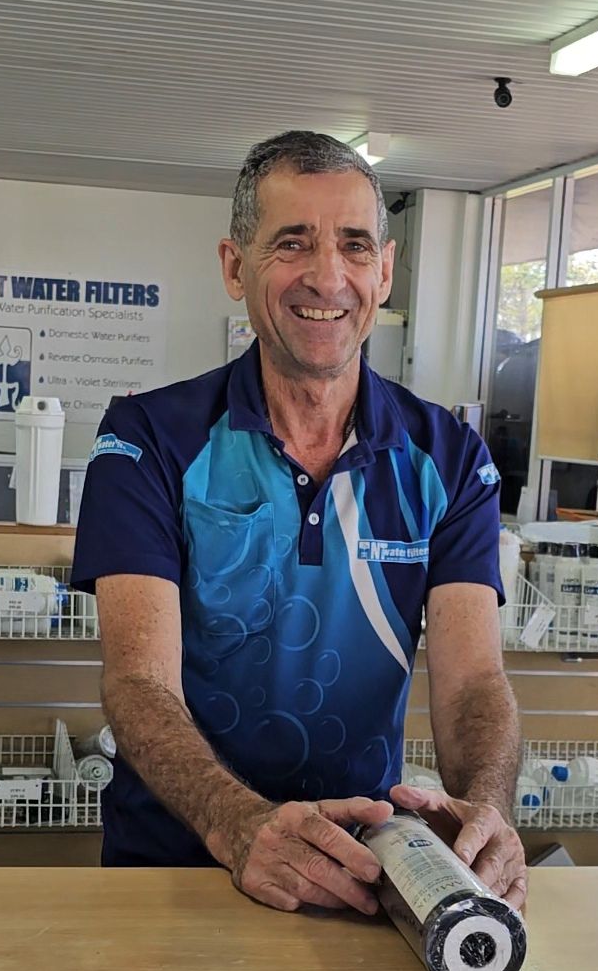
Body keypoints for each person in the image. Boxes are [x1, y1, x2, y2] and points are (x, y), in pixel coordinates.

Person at [72, 130, 526, 915]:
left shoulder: (449, 459)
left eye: (354, 246)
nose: (328, 276)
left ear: (383, 271)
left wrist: (488, 810)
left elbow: (474, 685)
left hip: (367, 875)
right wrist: (237, 825)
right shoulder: (147, 440)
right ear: (234, 266)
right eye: (293, 243)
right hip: (176, 867)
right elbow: (139, 683)